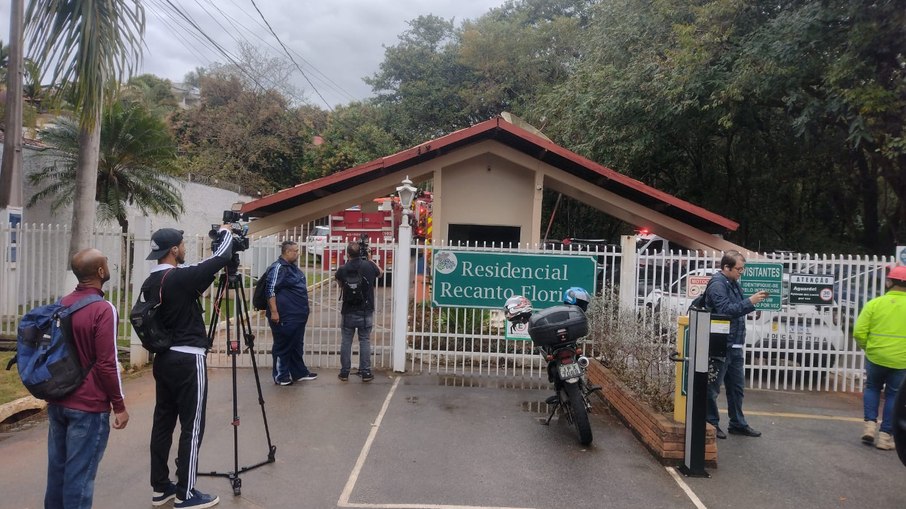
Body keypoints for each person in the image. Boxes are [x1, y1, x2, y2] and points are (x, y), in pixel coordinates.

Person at [144, 226, 233, 509]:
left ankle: (161, 487)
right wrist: (226, 232)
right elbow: (220, 258)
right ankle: (186, 493)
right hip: (188, 358)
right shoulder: (180, 278)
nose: (184, 249)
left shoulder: (152, 281)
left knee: (163, 423)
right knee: (192, 426)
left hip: (164, 359)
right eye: (182, 245)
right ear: (173, 250)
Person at [45, 248, 129, 509]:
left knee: (57, 473)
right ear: (100, 272)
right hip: (88, 407)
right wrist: (120, 405)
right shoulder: (104, 309)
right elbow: (106, 363)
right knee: (79, 479)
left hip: (59, 400)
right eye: (106, 261)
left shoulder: (63, 303)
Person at [704, 250, 769, 440]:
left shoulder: (732, 283)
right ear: (726, 267)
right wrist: (750, 302)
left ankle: (737, 423)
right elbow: (725, 310)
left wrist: (748, 302)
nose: (741, 272)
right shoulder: (717, 284)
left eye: (742, 269)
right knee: (713, 387)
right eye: (738, 269)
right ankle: (711, 423)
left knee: (736, 387)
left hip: (734, 344)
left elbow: (737, 308)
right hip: (720, 343)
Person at [854, 265, 906, 450]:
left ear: (890, 282)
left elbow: (859, 332)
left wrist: (869, 348)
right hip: (902, 361)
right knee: (893, 395)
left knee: (873, 388)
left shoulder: (874, 304)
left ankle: (869, 426)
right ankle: (885, 437)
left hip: (876, 356)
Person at [264, 240, 316, 385]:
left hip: (297, 315)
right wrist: (274, 312)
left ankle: (299, 372)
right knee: (283, 345)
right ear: (287, 252)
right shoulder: (278, 268)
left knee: (296, 345)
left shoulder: (291, 267)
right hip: (285, 316)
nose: (298, 253)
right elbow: (270, 290)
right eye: (296, 251)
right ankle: (281, 376)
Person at [335, 240, 382, 382]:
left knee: (346, 341)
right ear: (361, 253)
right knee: (365, 340)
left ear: (347, 254)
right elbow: (380, 273)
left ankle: (344, 372)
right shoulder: (368, 266)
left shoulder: (343, 269)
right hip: (365, 310)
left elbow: (339, 282)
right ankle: (366, 372)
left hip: (348, 310)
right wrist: (370, 259)